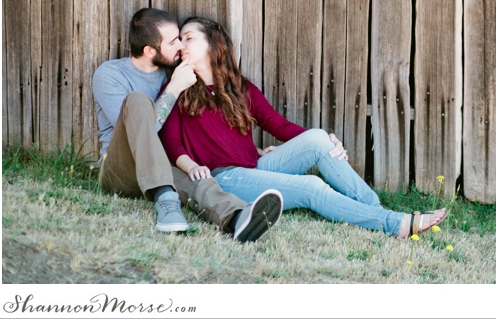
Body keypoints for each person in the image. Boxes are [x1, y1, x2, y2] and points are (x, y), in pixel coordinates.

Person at [159, 16, 447, 238]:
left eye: (188, 37)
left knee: (319, 139)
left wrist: (328, 140)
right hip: (225, 178)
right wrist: (189, 167)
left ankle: (376, 210)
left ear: (212, 43)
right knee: (311, 186)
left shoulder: (241, 88)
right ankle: (391, 222)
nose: (181, 45)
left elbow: (277, 124)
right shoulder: (178, 90)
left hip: (256, 166)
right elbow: (171, 143)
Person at [93, 7, 282, 242]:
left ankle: (238, 218)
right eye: (173, 42)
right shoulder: (111, 74)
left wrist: (254, 150)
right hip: (121, 168)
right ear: (149, 50)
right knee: (138, 101)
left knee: (199, 179)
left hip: (162, 167)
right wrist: (174, 88)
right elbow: (142, 134)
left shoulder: (174, 72)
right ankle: (166, 199)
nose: (181, 47)